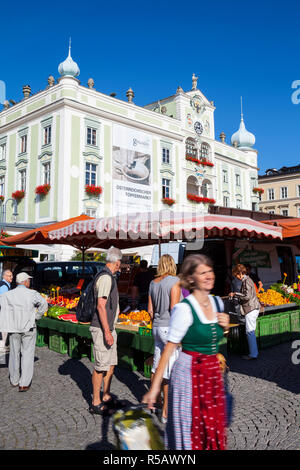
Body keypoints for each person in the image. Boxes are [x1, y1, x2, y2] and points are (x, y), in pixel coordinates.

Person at [143, 254, 229, 450]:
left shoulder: (217, 304)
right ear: (191, 279)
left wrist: (224, 328)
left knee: (212, 428)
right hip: (190, 374)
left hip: (211, 374)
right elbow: (169, 349)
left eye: (210, 271)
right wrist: (154, 389)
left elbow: (216, 339)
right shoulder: (183, 309)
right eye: (202, 273)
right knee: (191, 430)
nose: (209, 276)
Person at [89, 246, 124, 415]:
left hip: (109, 327)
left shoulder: (109, 276)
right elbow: (101, 306)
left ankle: (106, 396)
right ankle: (95, 402)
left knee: (110, 364)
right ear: (117, 262)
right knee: (101, 366)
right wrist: (107, 332)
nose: (120, 266)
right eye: (120, 263)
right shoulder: (105, 278)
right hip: (102, 328)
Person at [147, 254, 181, 424]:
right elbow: (175, 309)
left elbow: (150, 310)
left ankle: (155, 402)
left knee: (156, 368)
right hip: (169, 328)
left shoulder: (153, 283)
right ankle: (167, 412)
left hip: (157, 327)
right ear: (172, 265)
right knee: (169, 372)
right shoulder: (174, 281)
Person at [0, 272, 48, 391]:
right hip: (28, 327)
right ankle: (24, 383)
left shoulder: (7, 294)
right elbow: (44, 304)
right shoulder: (32, 293)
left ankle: (14, 380)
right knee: (27, 354)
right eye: (29, 280)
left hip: (13, 327)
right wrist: (36, 316)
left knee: (14, 354)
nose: (29, 282)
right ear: (26, 281)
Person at [229, 263, 260, 360]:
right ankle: (253, 353)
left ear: (239, 273)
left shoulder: (246, 280)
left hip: (250, 308)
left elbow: (247, 296)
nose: (236, 277)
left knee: (250, 332)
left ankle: (253, 354)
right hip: (252, 308)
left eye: (236, 275)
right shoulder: (246, 280)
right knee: (250, 331)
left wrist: (235, 294)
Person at [0, 270, 13, 359]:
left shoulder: (5, 284)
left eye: (12, 275)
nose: (11, 277)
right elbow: (3, 300)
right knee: (3, 330)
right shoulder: (4, 286)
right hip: (3, 310)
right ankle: (1, 347)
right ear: (4, 276)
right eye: (9, 276)